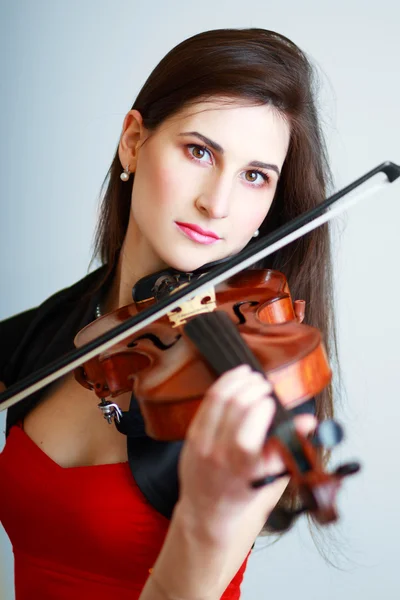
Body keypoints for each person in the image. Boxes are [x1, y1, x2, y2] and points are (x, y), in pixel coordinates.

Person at [0, 27, 336, 599]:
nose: (218, 202)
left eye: (255, 176)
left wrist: (207, 528)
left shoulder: (257, 385)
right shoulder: (40, 337)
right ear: (133, 141)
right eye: (199, 151)